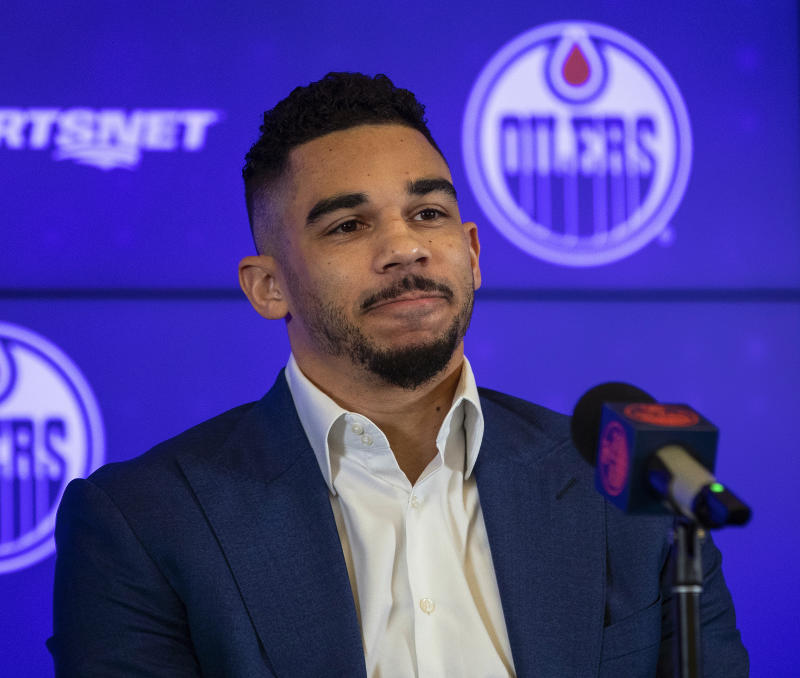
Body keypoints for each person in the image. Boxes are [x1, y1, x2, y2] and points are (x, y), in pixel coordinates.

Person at [48, 72, 748, 677]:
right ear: (268, 287)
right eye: (348, 226)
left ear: (471, 252)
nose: (405, 247)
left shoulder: (628, 489)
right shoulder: (143, 524)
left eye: (428, 213)